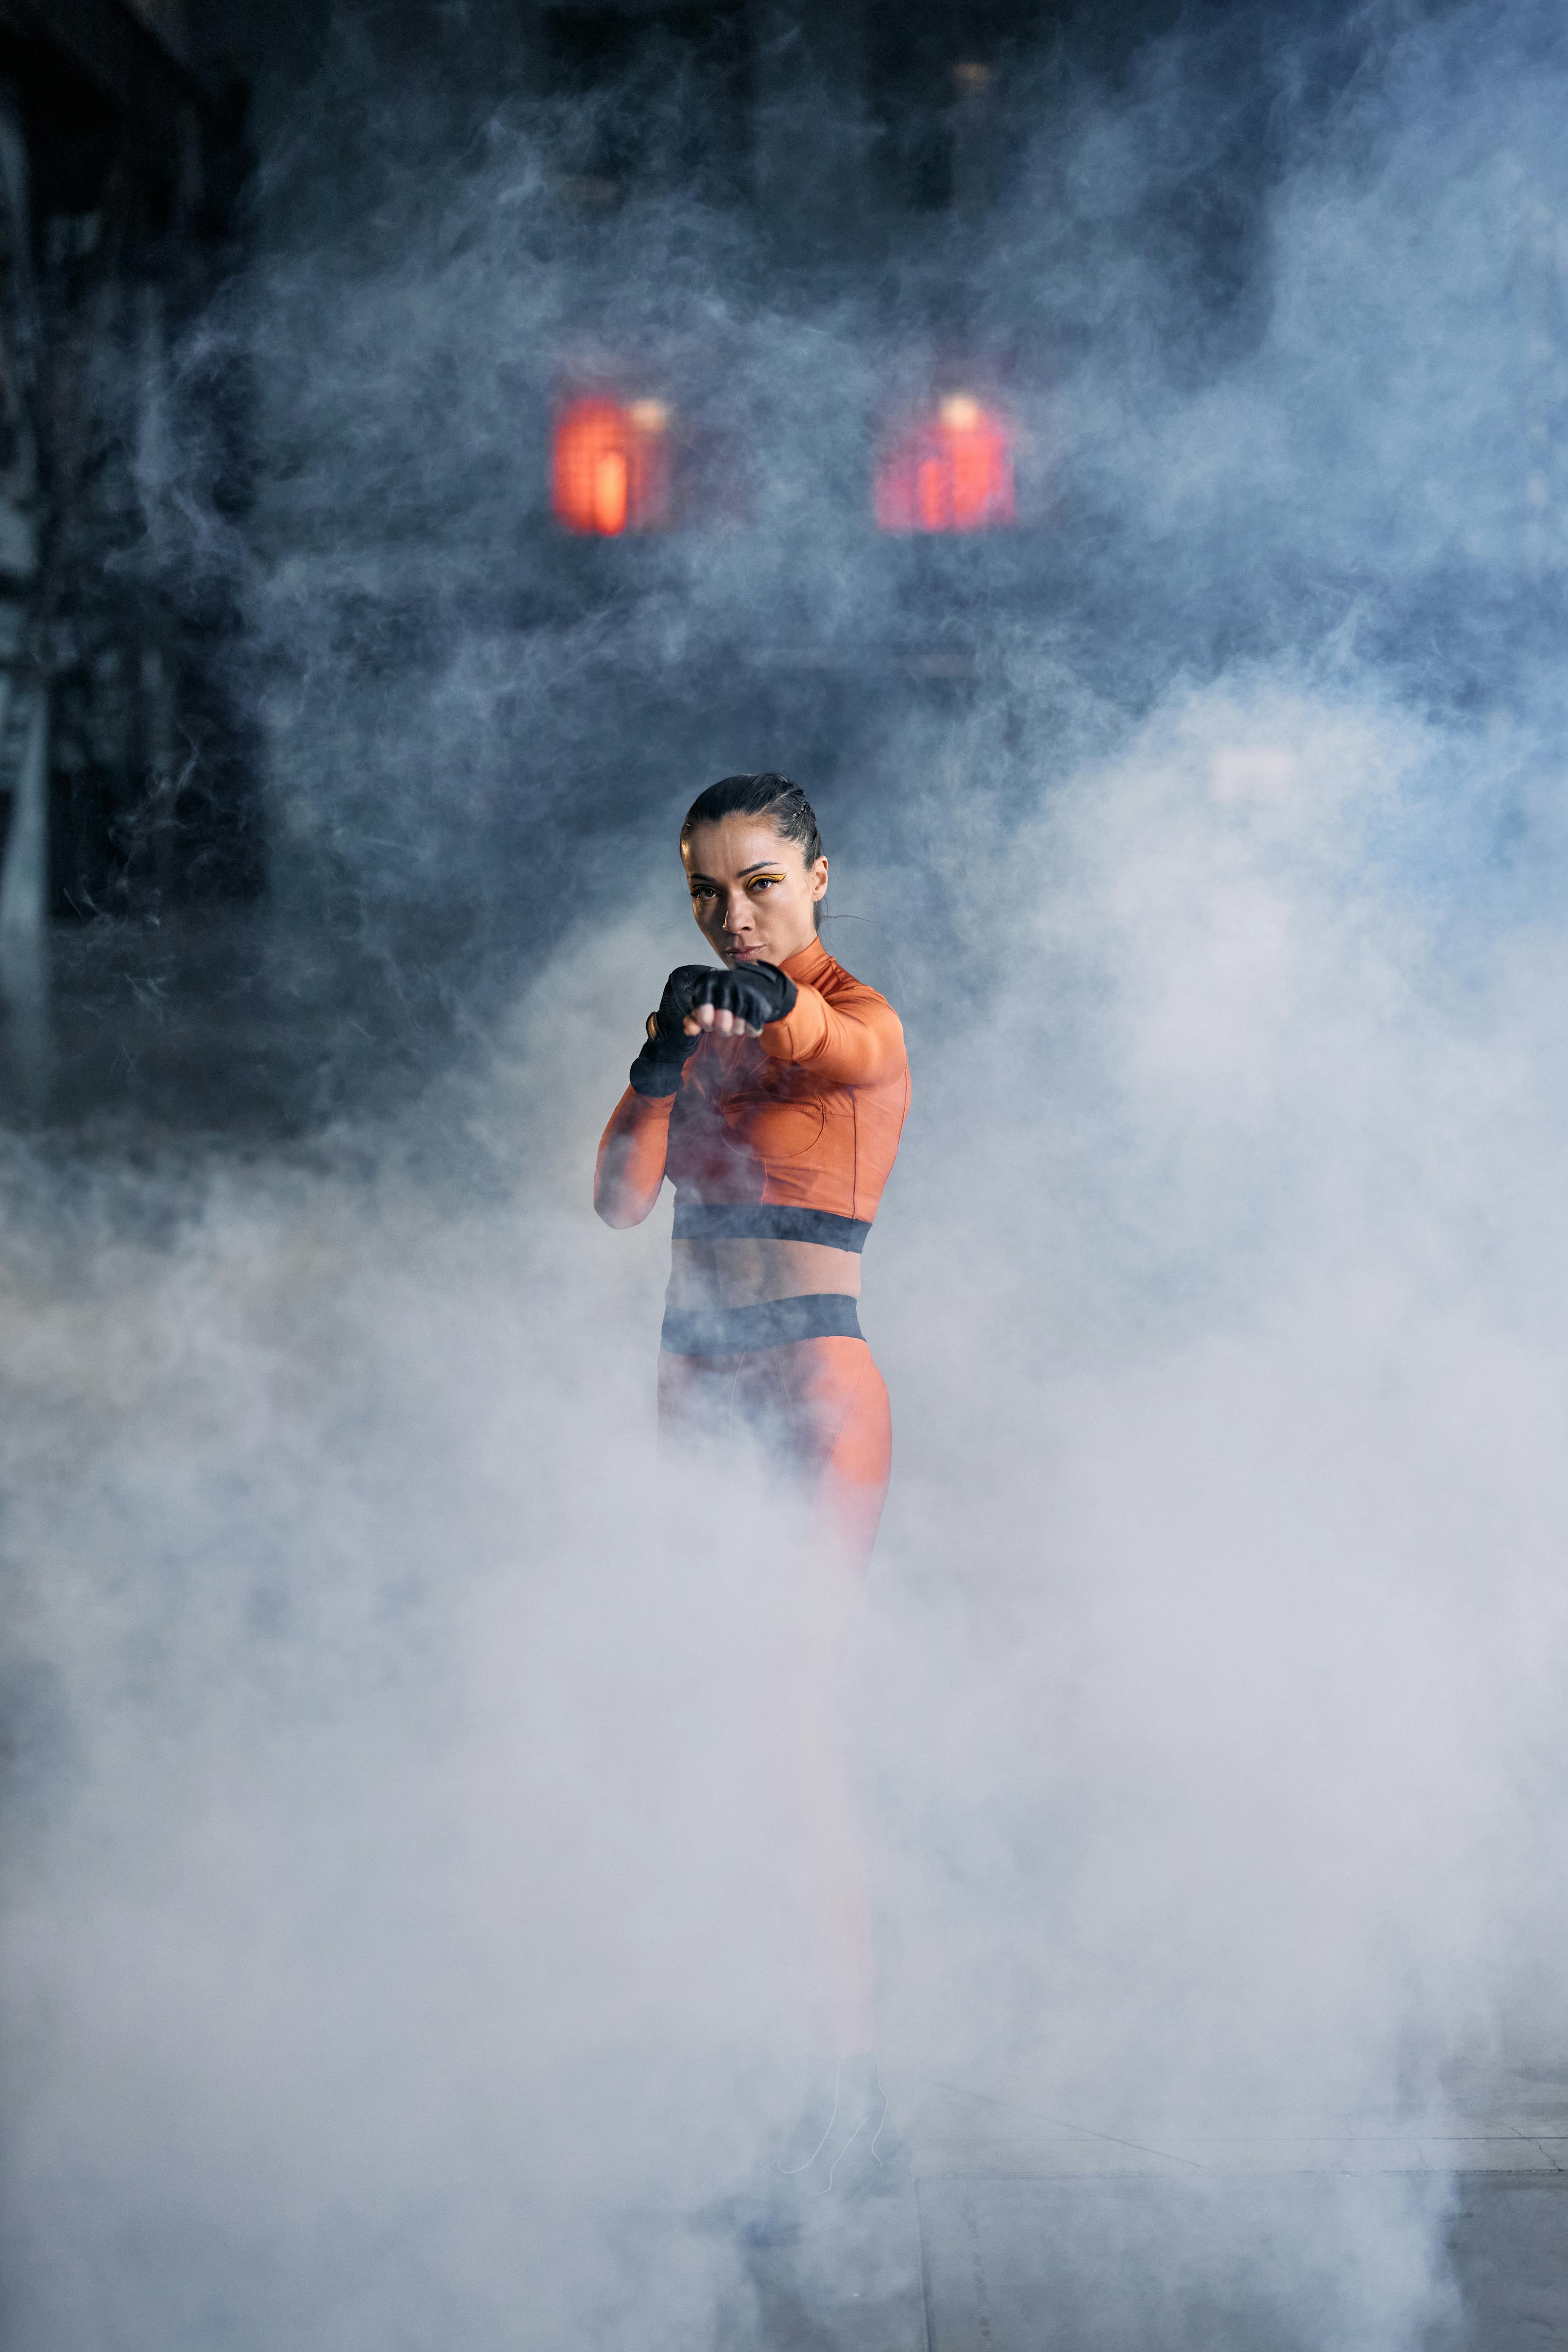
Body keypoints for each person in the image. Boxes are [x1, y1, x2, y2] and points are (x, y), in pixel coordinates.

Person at [594, 770, 910, 2215]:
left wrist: (752, 1004)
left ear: (820, 877)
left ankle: (843, 2105)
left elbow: (832, 1047)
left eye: (763, 884)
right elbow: (615, 1199)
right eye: (709, 895)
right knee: (704, 1740)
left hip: (805, 1397)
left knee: (785, 1737)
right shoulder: (707, 1023)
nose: (737, 916)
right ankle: (743, 2072)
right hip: (693, 1387)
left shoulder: (854, 1017)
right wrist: (661, 1058)